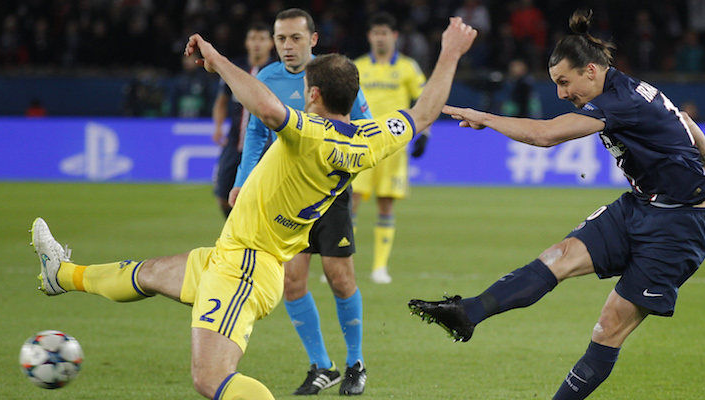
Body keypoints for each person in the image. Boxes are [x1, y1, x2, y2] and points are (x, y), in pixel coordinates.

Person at [31, 16, 477, 400]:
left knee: (210, 378)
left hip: (247, 266)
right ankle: (62, 275)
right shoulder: (369, 139)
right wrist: (450, 52)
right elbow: (423, 113)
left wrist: (216, 60)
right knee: (146, 274)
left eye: (305, 90)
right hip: (232, 256)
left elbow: (265, 108)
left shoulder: (310, 134)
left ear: (315, 95)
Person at [408, 9, 705, 400]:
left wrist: (484, 116)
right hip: (638, 207)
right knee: (560, 255)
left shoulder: (620, 101)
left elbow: (545, 135)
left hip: (678, 229)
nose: (562, 94)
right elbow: (684, 119)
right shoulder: (626, 89)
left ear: (590, 70)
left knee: (609, 325)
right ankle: (468, 313)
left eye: (564, 83)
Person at [228, 9, 371, 395]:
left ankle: (355, 362)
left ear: (313, 40)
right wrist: (242, 183)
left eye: (294, 38)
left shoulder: (333, 76)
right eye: (280, 39)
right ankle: (322, 366)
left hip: (329, 194)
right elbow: (256, 136)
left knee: (341, 280)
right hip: (285, 197)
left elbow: (364, 127)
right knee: (292, 282)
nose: (287, 47)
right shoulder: (266, 78)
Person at [351, 12, 430, 284]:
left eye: (385, 32)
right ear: (369, 36)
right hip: (362, 143)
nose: (380, 38)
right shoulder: (357, 66)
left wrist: (424, 134)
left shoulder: (408, 67)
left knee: (385, 205)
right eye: (376, 33)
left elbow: (423, 101)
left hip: (394, 146)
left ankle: (379, 268)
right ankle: (342, 263)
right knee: (351, 202)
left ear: (394, 36)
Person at [212, 22, 274, 217]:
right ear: (247, 42)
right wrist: (218, 127)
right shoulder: (235, 68)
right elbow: (221, 101)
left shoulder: (276, 71)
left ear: (270, 43)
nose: (257, 44)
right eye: (253, 38)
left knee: (261, 200)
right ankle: (234, 236)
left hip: (263, 147)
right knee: (223, 196)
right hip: (233, 144)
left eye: (262, 39)